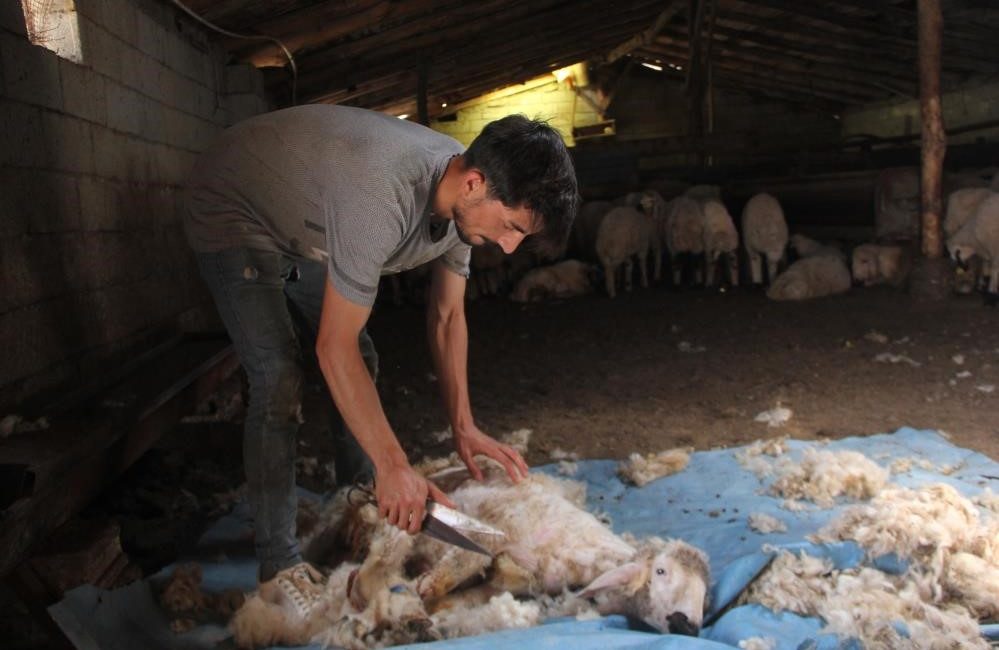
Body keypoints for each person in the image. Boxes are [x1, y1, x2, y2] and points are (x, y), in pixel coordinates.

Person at [182, 104, 579, 617]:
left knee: (362, 354)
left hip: (304, 212)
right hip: (232, 205)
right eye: (510, 227)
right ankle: (278, 564)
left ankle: (359, 505)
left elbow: (446, 319)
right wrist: (395, 464)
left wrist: (464, 427)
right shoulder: (381, 197)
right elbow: (331, 347)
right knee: (279, 374)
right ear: (475, 184)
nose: (507, 248)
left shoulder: (463, 209)